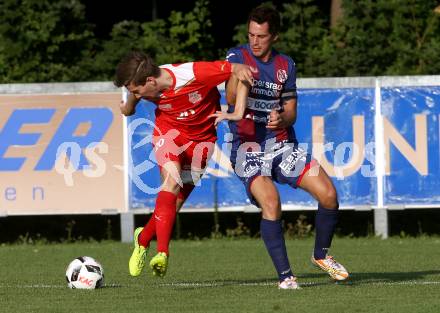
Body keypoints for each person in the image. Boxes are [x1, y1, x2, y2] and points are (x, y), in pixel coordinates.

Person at [224, 6, 349, 289]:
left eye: (262, 36)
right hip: (247, 148)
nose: (254, 41)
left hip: (281, 146)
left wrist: (282, 117)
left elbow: (292, 111)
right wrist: (238, 73)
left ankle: (321, 256)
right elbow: (231, 97)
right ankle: (286, 278)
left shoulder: (286, 66)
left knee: (329, 195)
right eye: (251, 34)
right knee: (272, 203)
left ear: (275, 37)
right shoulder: (237, 57)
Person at [114, 51, 251, 278]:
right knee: (171, 182)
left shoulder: (193, 74)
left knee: (173, 204)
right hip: (169, 134)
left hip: (202, 142)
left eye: (136, 91)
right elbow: (132, 101)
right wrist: (127, 108)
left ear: (150, 81)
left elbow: (240, 69)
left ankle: (143, 238)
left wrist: (237, 111)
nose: (136, 94)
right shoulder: (144, 85)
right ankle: (163, 253)